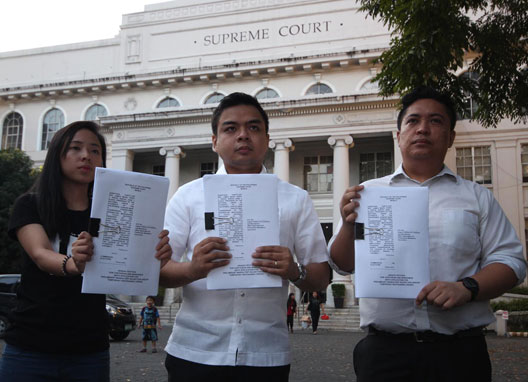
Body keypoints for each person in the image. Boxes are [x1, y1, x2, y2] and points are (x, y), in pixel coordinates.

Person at [328, 86, 527, 382]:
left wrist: (466, 287)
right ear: (399, 135)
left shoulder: (476, 197)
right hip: (385, 353)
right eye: (412, 121)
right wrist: (347, 225)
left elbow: (512, 261)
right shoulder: (368, 194)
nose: (422, 128)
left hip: (459, 354)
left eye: (435, 121)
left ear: (450, 137)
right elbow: (342, 265)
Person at [160, 92, 330, 381]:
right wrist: (193, 268)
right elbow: (158, 271)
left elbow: (321, 275)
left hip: (265, 353)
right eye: (230, 128)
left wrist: (293, 270)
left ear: (266, 138)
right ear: (214, 141)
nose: (243, 136)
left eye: (253, 128)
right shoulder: (187, 196)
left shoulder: (295, 199)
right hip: (195, 350)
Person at [0, 121, 172, 382]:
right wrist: (72, 263)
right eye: (76, 148)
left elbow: (126, 263)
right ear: (57, 154)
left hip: (89, 351)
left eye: (95, 151)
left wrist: (154, 255)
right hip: (30, 345)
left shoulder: (110, 210)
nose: (86, 156)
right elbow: (40, 253)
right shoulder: (31, 204)